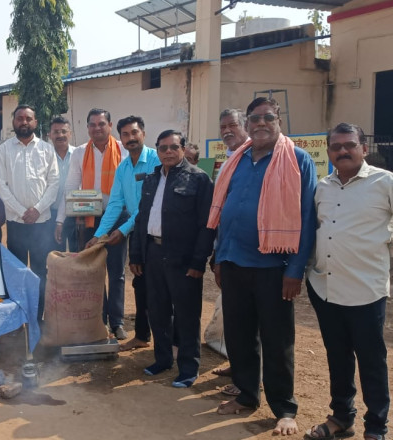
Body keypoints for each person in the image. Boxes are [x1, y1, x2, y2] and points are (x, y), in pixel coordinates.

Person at [209, 97, 317, 436]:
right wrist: (220, 259)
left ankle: (284, 407)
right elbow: (225, 212)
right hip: (234, 263)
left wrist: (294, 270)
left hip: (274, 268)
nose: (260, 123)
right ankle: (247, 394)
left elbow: (307, 217)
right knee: (239, 336)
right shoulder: (235, 162)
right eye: (254, 118)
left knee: (277, 339)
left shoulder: (297, 160)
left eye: (267, 117)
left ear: (278, 120)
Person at [303, 123, 393, 440]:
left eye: (349, 145)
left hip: (366, 290)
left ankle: (376, 427)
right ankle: (342, 417)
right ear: (329, 152)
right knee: (338, 357)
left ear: (363, 149)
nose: (343, 151)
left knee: (371, 361)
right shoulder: (323, 187)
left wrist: (388, 247)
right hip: (326, 288)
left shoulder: (387, 182)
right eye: (336, 146)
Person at [128, 129, 214, 388]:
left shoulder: (199, 179)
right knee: (157, 310)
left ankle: (188, 369)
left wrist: (199, 262)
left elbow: (207, 225)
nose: (168, 152)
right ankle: (162, 359)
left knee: (187, 314)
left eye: (173, 147)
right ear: (157, 150)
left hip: (182, 257)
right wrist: (136, 254)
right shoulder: (152, 179)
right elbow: (141, 219)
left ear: (183, 149)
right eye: (163, 147)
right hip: (153, 253)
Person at [85, 116, 160, 350]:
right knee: (140, 282)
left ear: (143, 134)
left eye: (134, 133)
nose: (131, 138)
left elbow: (149, 205)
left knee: (161, 287)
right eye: (125, 134)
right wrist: (99, 235)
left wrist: (123, 229)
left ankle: (170, 344)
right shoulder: (123, 167)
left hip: (159, 233)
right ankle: (142, 335)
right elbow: (116, 204)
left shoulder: (156, 161)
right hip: (138, 234)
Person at [56, 108, 129, 339]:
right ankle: (98, 319)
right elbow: (70, 187)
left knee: (116, 271)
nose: (97, 128)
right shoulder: (79, 153)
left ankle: (117, 321)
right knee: (92, 271)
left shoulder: (123, 150)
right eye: (92, 125)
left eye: (101, 124)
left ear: (110, 125)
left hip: (118, 217)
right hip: (88, 218)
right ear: (87, 128)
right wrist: (60, 219)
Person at [0, 104, 59, 320]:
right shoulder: (4, 150)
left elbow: (54, 184)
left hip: (43, 223)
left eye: (28, 118)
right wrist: (23, 212)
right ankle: (19, 316)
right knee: (18, 271)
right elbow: (0, 186)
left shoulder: (47, 149)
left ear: (35, 123)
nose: (24, 122)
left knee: (41, 271)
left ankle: (39, 317)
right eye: (19, 118)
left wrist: (37, 210)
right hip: (16, 223)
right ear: (13, 122)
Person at [209, 108, 250, 392]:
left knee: (251, 321)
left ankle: (248, 380)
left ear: (244, 126)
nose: (227, 131)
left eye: (232, 125)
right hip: (228, 249)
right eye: (222, 126)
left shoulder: (258, 158)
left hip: (255, 255)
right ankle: (237, 364)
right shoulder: (228, 162)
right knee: (234, 316)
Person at [49, 116, 78, 252]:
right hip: (51, 215)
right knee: (56, 256)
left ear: (70, 133)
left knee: (77, 255)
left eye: (63, 131)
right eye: (56, 132)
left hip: (76, 214)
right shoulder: (44, 156)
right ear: (50, 135)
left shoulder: (80, 155)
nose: (60, 135)